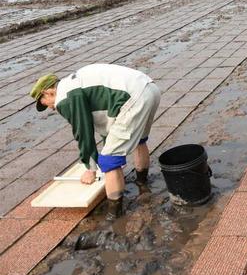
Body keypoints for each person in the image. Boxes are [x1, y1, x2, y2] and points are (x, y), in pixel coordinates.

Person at [29, 63, 161, 220]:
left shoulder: (65, 98)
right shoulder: (75, 81)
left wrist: (90, 168)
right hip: (149, 88)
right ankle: (142, 182)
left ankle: (114, 215)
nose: (51, 108)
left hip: (134, 99)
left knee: (108, 160)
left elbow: (83, 131)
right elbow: (109, 120)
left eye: (45, 103)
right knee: (139, 140)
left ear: (48, 92)